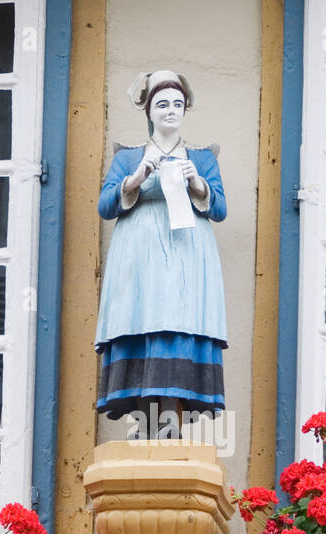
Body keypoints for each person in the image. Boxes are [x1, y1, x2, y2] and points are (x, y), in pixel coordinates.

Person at [94, 69, 227, 437]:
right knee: (140, 322)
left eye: (178, 104)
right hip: (138, 258)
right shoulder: (128, 157)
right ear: (149, 110)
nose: (171, 111)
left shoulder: (201, 157)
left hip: (187, 255)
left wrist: (197, 182)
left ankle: (172, 419)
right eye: (163, 104)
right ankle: (143, 419)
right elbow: (105, 205)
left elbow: (220, 209)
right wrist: (134, 179)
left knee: (178, 324)